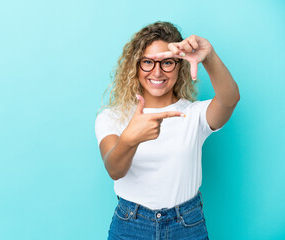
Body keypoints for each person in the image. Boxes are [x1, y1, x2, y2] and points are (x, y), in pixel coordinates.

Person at [95, 21, 240, 240]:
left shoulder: (194, 114)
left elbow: (229, 100)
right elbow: (115, 170)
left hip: (187, 224)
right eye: (147, 62)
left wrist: (209, 56)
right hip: (130, 225)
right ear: (135, 66)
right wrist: (130, 139)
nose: (157, 72)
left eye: (167, 63)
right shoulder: (112, 117)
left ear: (179, 65)